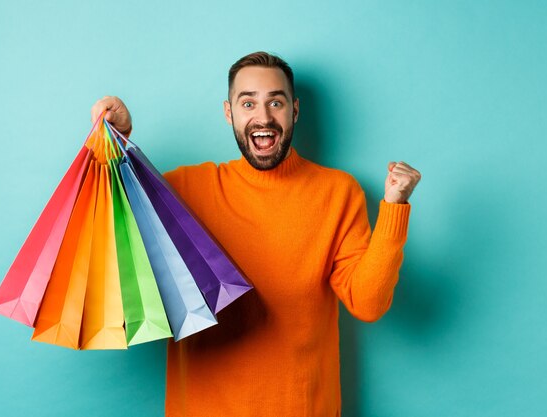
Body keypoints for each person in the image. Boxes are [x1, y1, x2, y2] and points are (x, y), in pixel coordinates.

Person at [91, 51, 421, 417]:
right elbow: (111, 236)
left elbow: (369, 303)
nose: (263, 118)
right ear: (229, 112)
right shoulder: (183, 190)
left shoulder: (337, 192)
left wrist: (394, 206)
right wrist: (114, 144)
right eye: (248, 103)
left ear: (294, 110)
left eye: (275, 102)